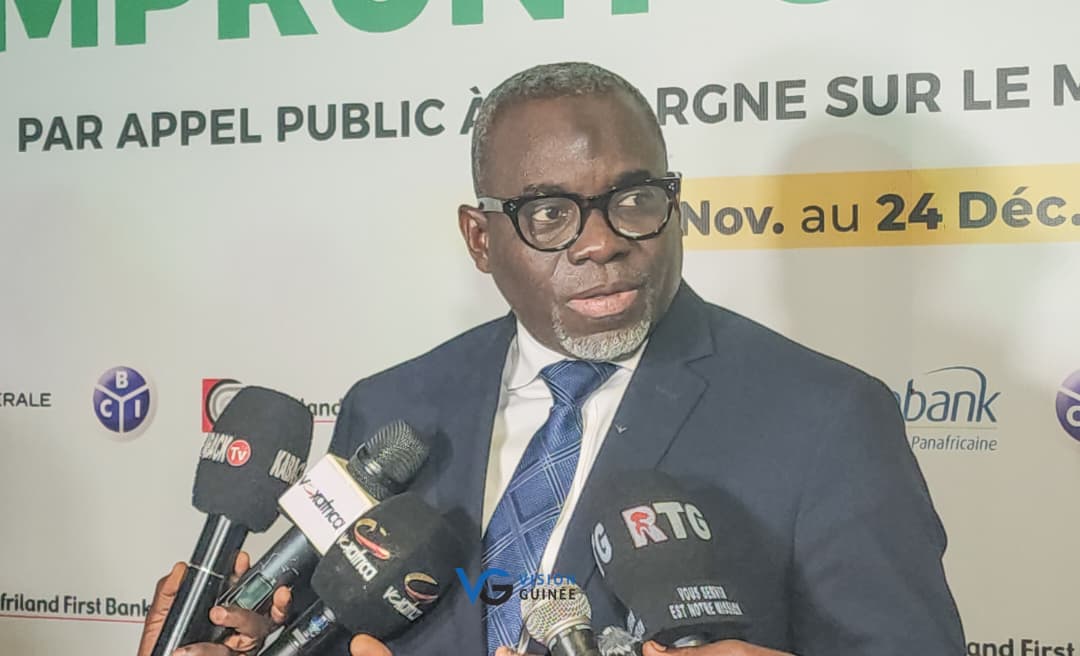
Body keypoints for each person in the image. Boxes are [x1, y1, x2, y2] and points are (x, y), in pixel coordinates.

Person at [138, 61, 966, 656]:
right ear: (480, 238)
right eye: (548, 214)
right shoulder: (391, 408)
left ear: (675, 208)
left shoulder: (824, 417)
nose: (602, 242)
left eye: (634, 199)